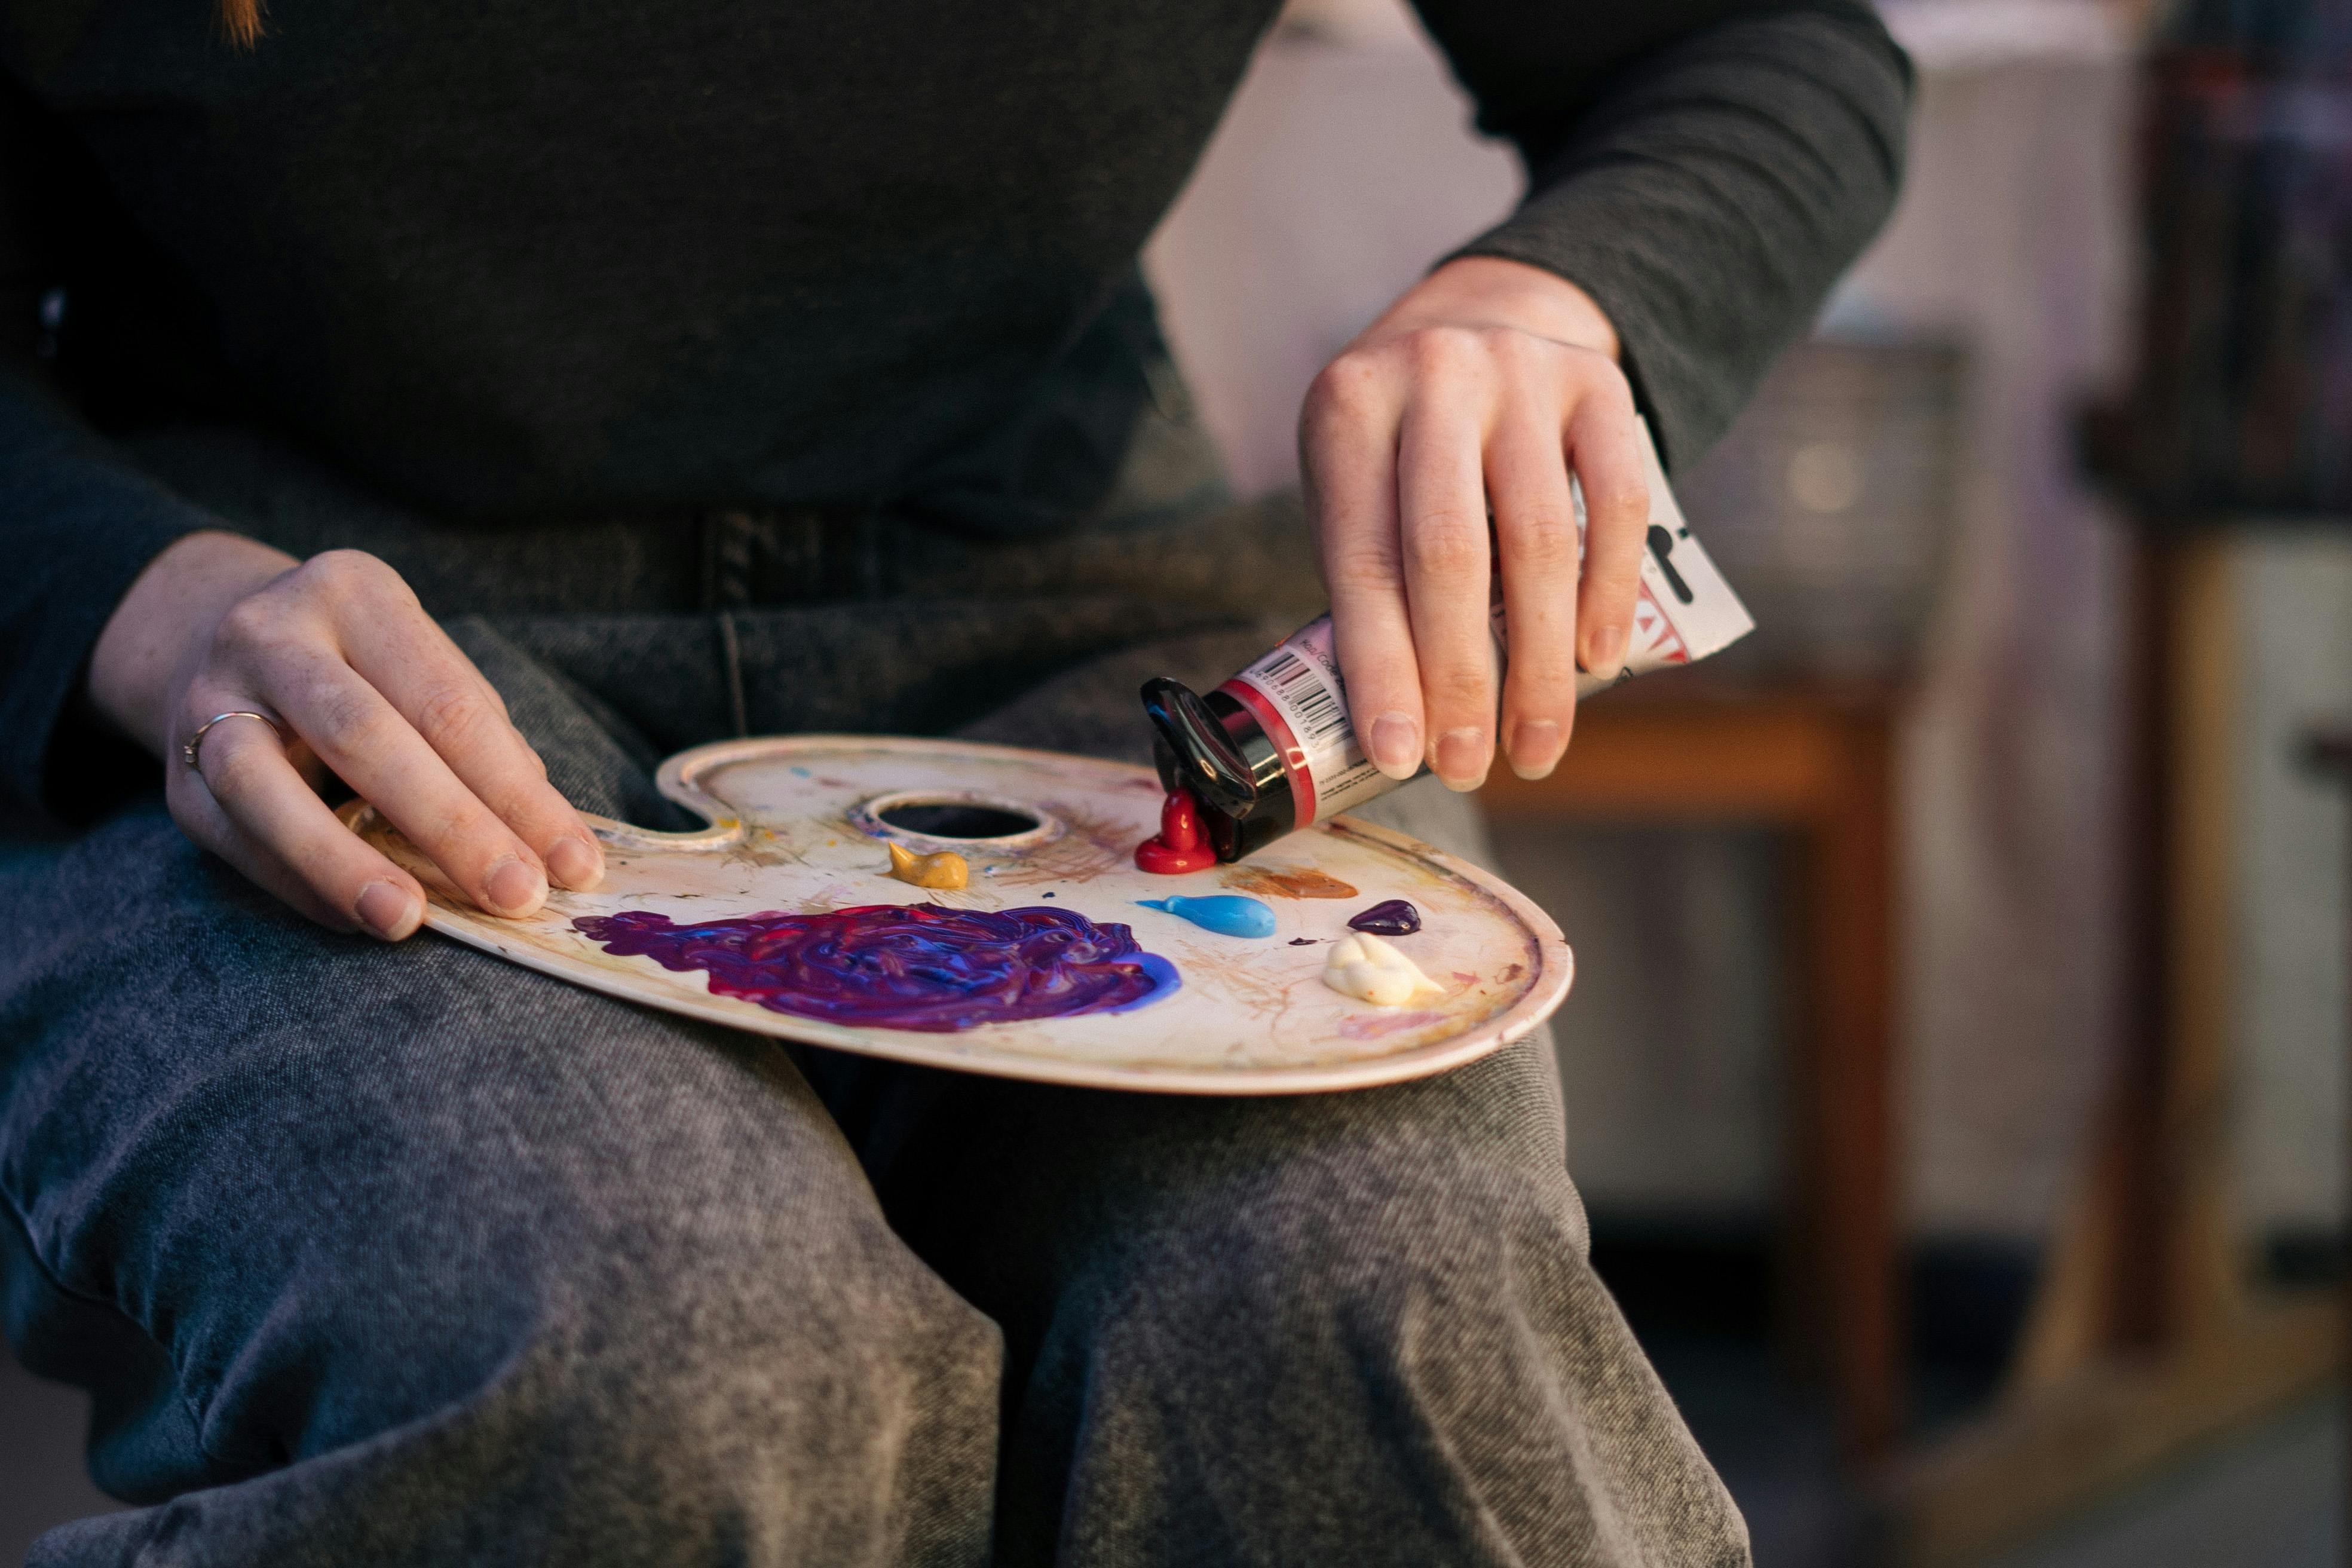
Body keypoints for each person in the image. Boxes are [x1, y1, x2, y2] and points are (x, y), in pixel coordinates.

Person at [0, 0, 1906, 1562]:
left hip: (1070, 603)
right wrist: (128, 596)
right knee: (680, 1366)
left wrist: (1553, 299)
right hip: (291, 642)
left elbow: (1765, 47)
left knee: (1375, 1302)